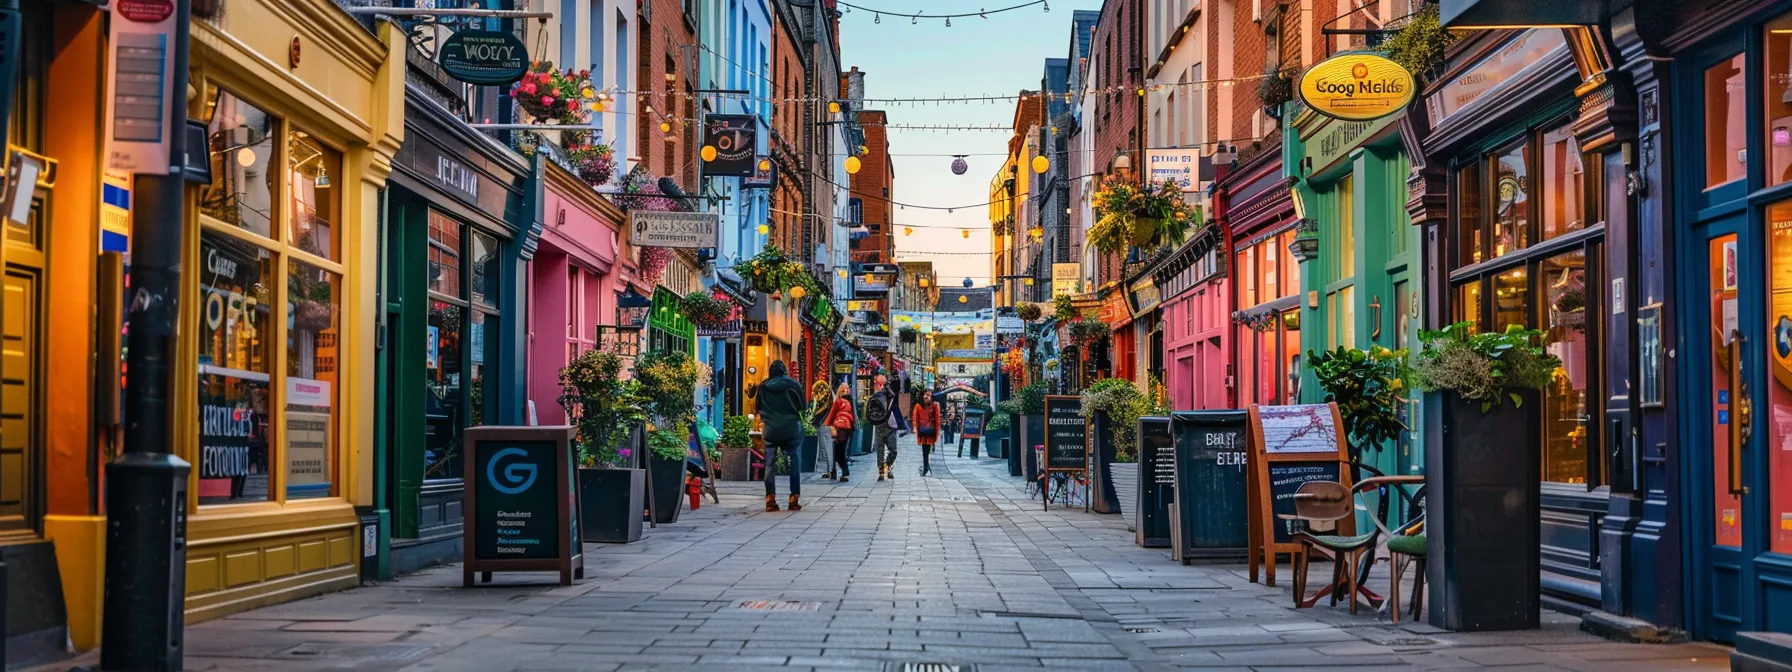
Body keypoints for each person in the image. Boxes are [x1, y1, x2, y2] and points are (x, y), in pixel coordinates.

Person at [756, 360, 807, 512]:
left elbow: (758, 407)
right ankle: (794, 498)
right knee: (794, 461)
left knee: (769, 464)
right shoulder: (794, 385)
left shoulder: (763, 386)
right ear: (785, 371)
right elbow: (802, 407)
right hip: (791, 428)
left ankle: (770, 499)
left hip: (771, 429)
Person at [866, 374, 899, 481]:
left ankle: (886, 468)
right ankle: (883, 471)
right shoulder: (875, 396)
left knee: (889, 450)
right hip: (883, 424)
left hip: (887, 424)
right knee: (884, 450)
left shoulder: (887, 393)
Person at [824, 382, 855, 482]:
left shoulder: (838, 401)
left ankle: (844, 471)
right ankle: (843, 473)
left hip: (840, 428)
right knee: (842, 450)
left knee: (838, 452)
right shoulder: (851, 401)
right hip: (848, 428)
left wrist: (827, 425)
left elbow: (832, 414)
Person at [912, 392, 941, 476]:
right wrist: (915, 427)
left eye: (928, 395)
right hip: (923, 431)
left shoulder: (935, 405)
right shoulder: (918, 406)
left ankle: (926, 466)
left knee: (927, 449)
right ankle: (926, 466)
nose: (926, 397)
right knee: (925, 448)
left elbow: (937, 418)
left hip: (930, 431)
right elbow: (915, 417)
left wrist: (937, 432)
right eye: (924, 395)